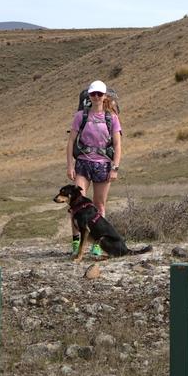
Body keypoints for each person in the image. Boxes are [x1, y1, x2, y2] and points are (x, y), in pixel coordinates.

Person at [66, 80, 122, 257]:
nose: (96, 97)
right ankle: (76, 243)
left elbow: (118, 144)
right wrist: (70, 165)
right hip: (83, 162)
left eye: (99, 94)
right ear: (89, 96)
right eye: (93, 94)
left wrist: (115, 167)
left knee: (99, 205)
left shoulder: (111, 118)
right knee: (76, 203)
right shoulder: (80, 117)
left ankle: (97, 244)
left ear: (105, 96)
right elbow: (70, 142)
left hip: (103, 165)